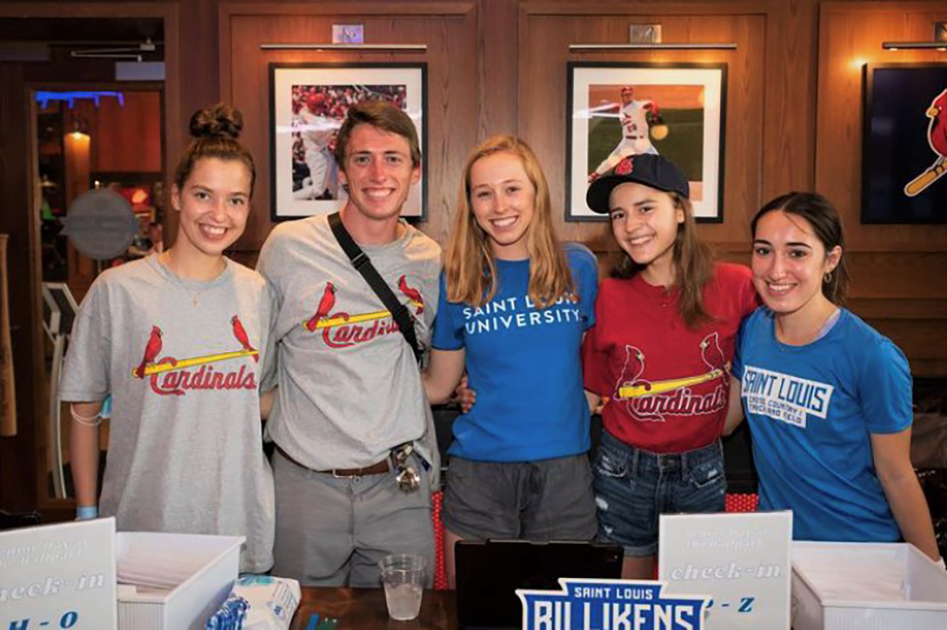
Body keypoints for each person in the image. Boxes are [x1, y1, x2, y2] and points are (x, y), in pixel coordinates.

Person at [61, 103, 275, 573]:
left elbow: (263, 400)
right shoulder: (117, 291)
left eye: (236, 199)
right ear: (176, 196)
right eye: (204, 194)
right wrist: (86, 515)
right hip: (142, 531)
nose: (219, 214)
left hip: (237, 529)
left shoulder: (257, 291)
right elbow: (83, 411)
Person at [257, 101, 441, 587]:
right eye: (362, 158)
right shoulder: (288, 248)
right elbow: (257, 372)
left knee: (406, 623)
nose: (377, 173)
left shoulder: (431, 260)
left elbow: (433, 363)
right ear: (341, 170)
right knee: (301, 619)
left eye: (393, 158)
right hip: (305, 487)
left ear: (415, 170)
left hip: (399, 488)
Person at [423, 135, 599, 587]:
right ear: (472, 204)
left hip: (564, 473)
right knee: (478, 612)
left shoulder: (578, 266)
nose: (499, 205)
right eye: (484, 192)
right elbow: (439, 386)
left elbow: (595, 361)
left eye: (512, 188)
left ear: (537, 191)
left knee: (563, 616)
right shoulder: (458, 278)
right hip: (480, 473)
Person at [728, 191, 942, 563]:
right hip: (775, 548)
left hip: (857, 551)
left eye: (797, 253)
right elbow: (722, 422)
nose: (776, 270)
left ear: (831, 259)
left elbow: (896, 474)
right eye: (763, 251)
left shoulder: (873, 355)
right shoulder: (752, 331)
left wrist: (932, 571)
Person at [581, 153, 758, 578]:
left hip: (703, 470)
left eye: (646, 208)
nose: (630, 225)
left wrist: (728, 417)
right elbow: (590, 393)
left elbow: (773, 350)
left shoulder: (737, 285)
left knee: (699, 606)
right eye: (618, 214)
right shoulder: (608, 296)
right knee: (629, 607)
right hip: (623, 471)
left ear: (679, 210)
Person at [590, 86, 660, 182]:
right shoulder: (621, 107)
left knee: (656, 160)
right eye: (626, 95)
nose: (628, 96)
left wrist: (654, 115)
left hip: (642, 142)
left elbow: (653, 104)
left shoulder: (638, 105)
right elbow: (610, 109)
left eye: (629, 94)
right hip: (627, 142)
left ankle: (663, 179)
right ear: (622, 96)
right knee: (612, 159)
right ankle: (595, 175)